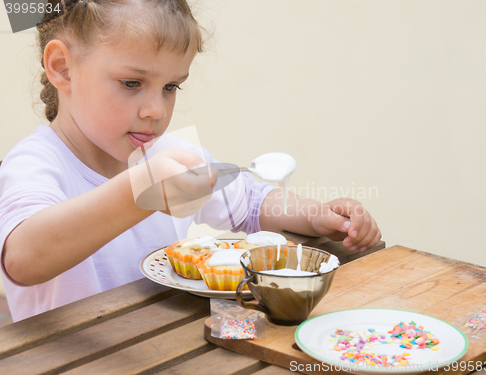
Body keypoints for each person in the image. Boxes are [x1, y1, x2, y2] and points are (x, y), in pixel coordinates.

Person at [0, 0, 381, 322]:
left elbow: (251, 202)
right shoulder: (35, 163)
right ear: (62, 68)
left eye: (170, 87)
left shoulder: (164, 154)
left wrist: (316, 216)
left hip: (159, 349)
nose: (155, 110)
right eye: (131, 83)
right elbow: (23, 259)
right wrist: (138, 194)